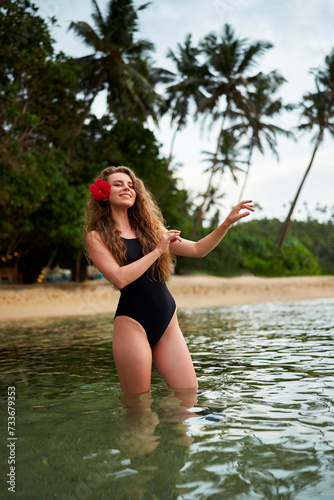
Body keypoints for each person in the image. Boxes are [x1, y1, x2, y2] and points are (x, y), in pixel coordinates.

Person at [85, 166, 254, 394]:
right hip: (132, 325)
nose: (127, 188)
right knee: (139, 408)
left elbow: (197, 249)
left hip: (167, 321)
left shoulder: (151, 229)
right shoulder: (96, 236)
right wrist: (157, 251)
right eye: (118, 184)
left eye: (131, 185)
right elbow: (120, 278)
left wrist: (226, 223)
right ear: (104, 193)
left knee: (188, 397)